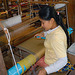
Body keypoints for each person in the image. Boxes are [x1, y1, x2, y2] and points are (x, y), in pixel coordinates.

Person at [32, 5, 69, 75]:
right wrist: (43, 34)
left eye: (43, 23)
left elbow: (63, 60)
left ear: (52, 20)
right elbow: (51, 33)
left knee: (34, 64)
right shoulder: (56, 28)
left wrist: (45, 70)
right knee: (33, 64)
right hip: (49, 57)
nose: (41, 25)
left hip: (52, 63)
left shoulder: (56, 37)